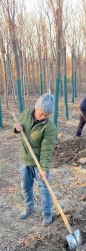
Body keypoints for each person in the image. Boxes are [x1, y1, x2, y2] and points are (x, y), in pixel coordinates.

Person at [14, 93, 57, 226]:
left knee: (44, 188)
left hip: (39, 163)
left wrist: (43, 169)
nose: (43, 117)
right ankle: (29, 208)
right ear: (36, 108)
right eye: (42, 113)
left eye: (47, 115)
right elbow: (18, 127)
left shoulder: (49, 127)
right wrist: (16, 128)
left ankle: (47, 214)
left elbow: (46, 150)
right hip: (25, 159)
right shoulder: (25, 113)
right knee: (26, 187)